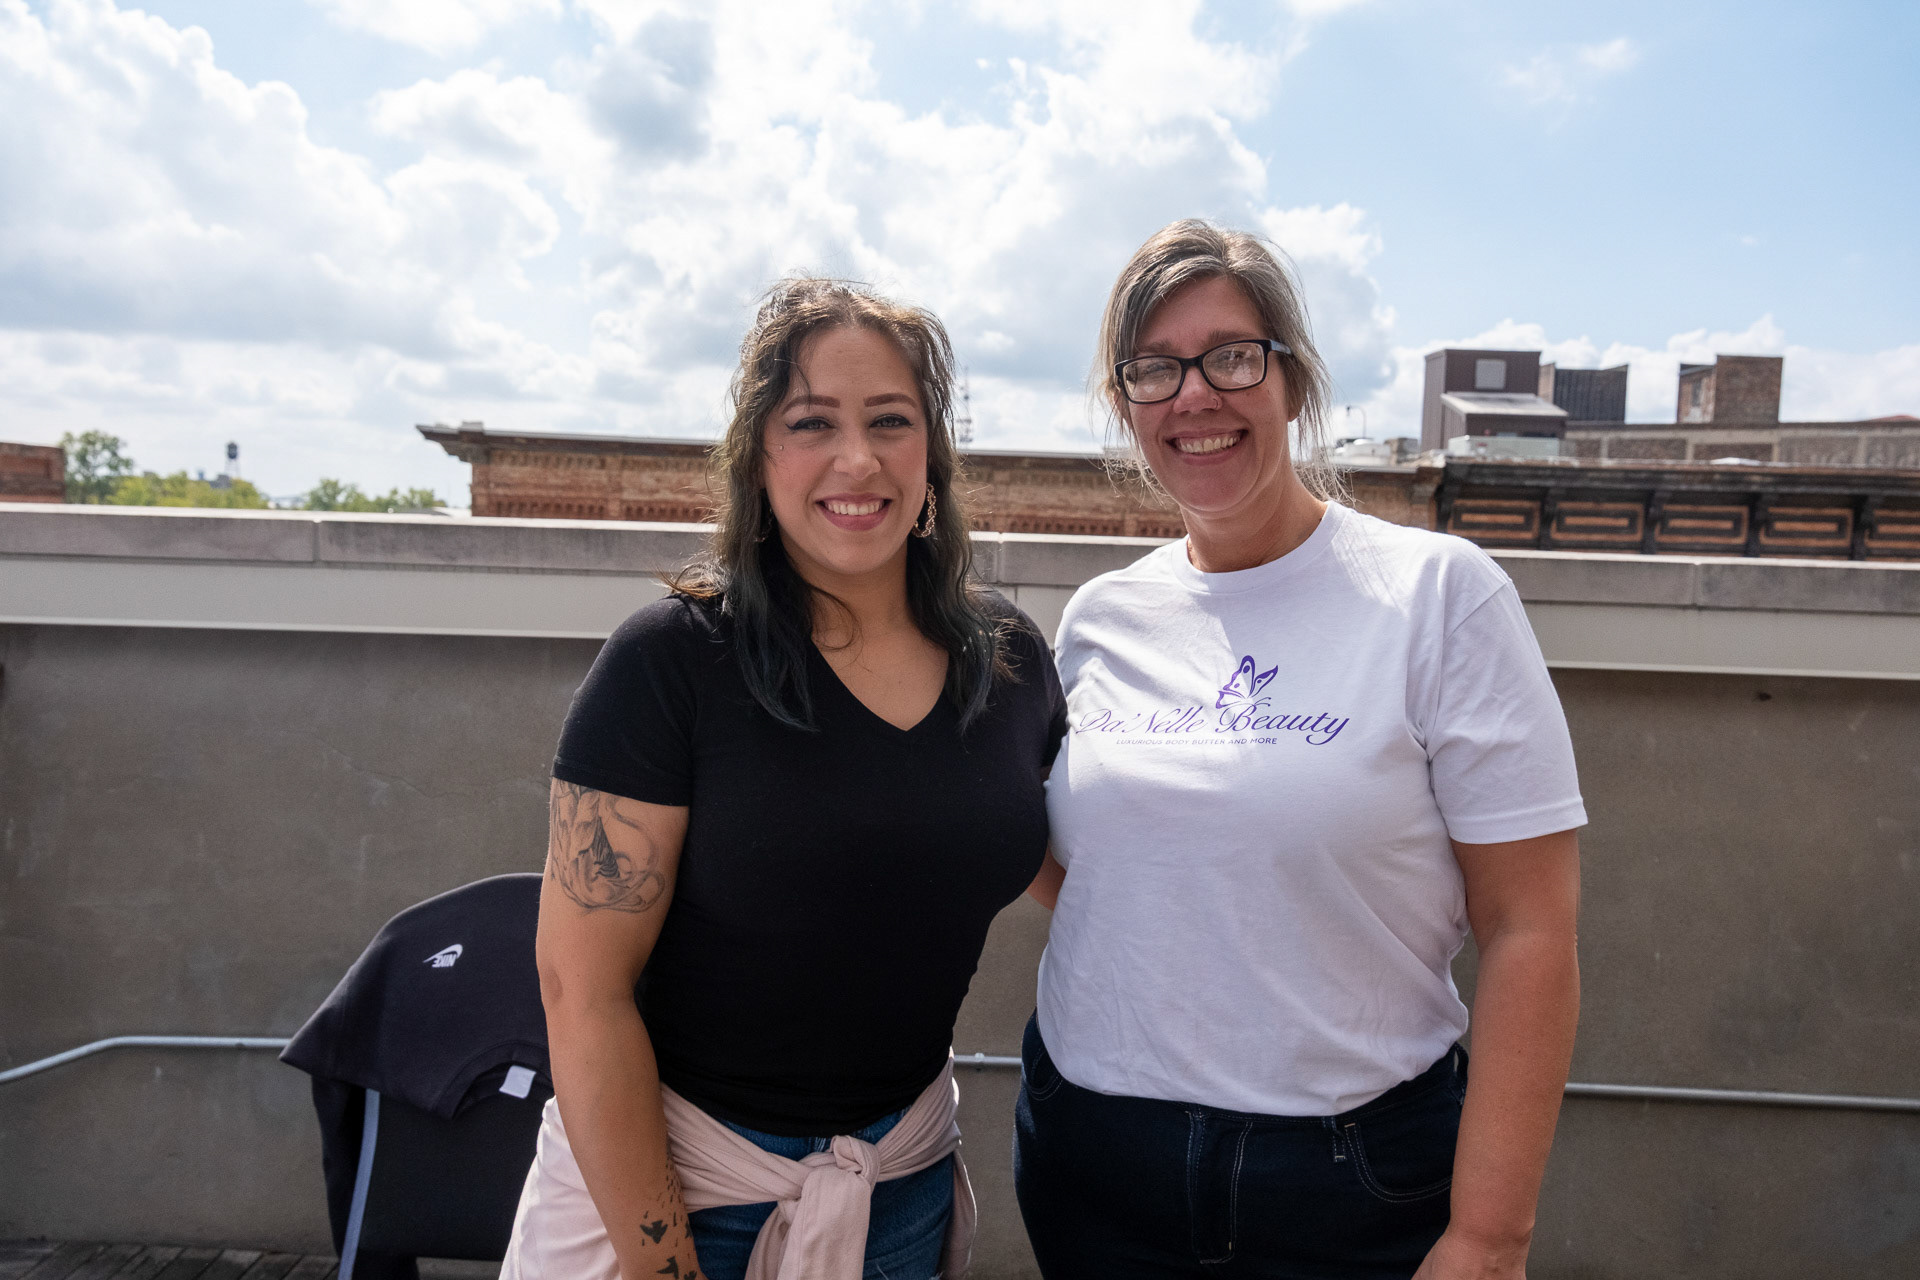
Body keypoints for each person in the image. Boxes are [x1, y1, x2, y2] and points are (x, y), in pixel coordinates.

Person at [1014, 220, 1586, 1280]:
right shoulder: (1100, 615)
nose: (1195, 394)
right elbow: (1084, 867)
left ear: (1294, 379)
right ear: (1126, 405)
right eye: (1154, 368)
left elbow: (1530, 928)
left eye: (1232, 355)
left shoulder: (1440, 596)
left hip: (1351, 1179)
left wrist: (1489, 1236)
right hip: (1093, 1156)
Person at [501, 278, 1066, 1280]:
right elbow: (580, 990)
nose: (858, 459)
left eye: (890, 420)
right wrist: (667, 1265)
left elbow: (1078, 872)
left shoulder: (1008, 658)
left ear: (931, 453)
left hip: (898, 1186)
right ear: (758, 458)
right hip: (677, 1192)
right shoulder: (670, 663)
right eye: (812, 423)